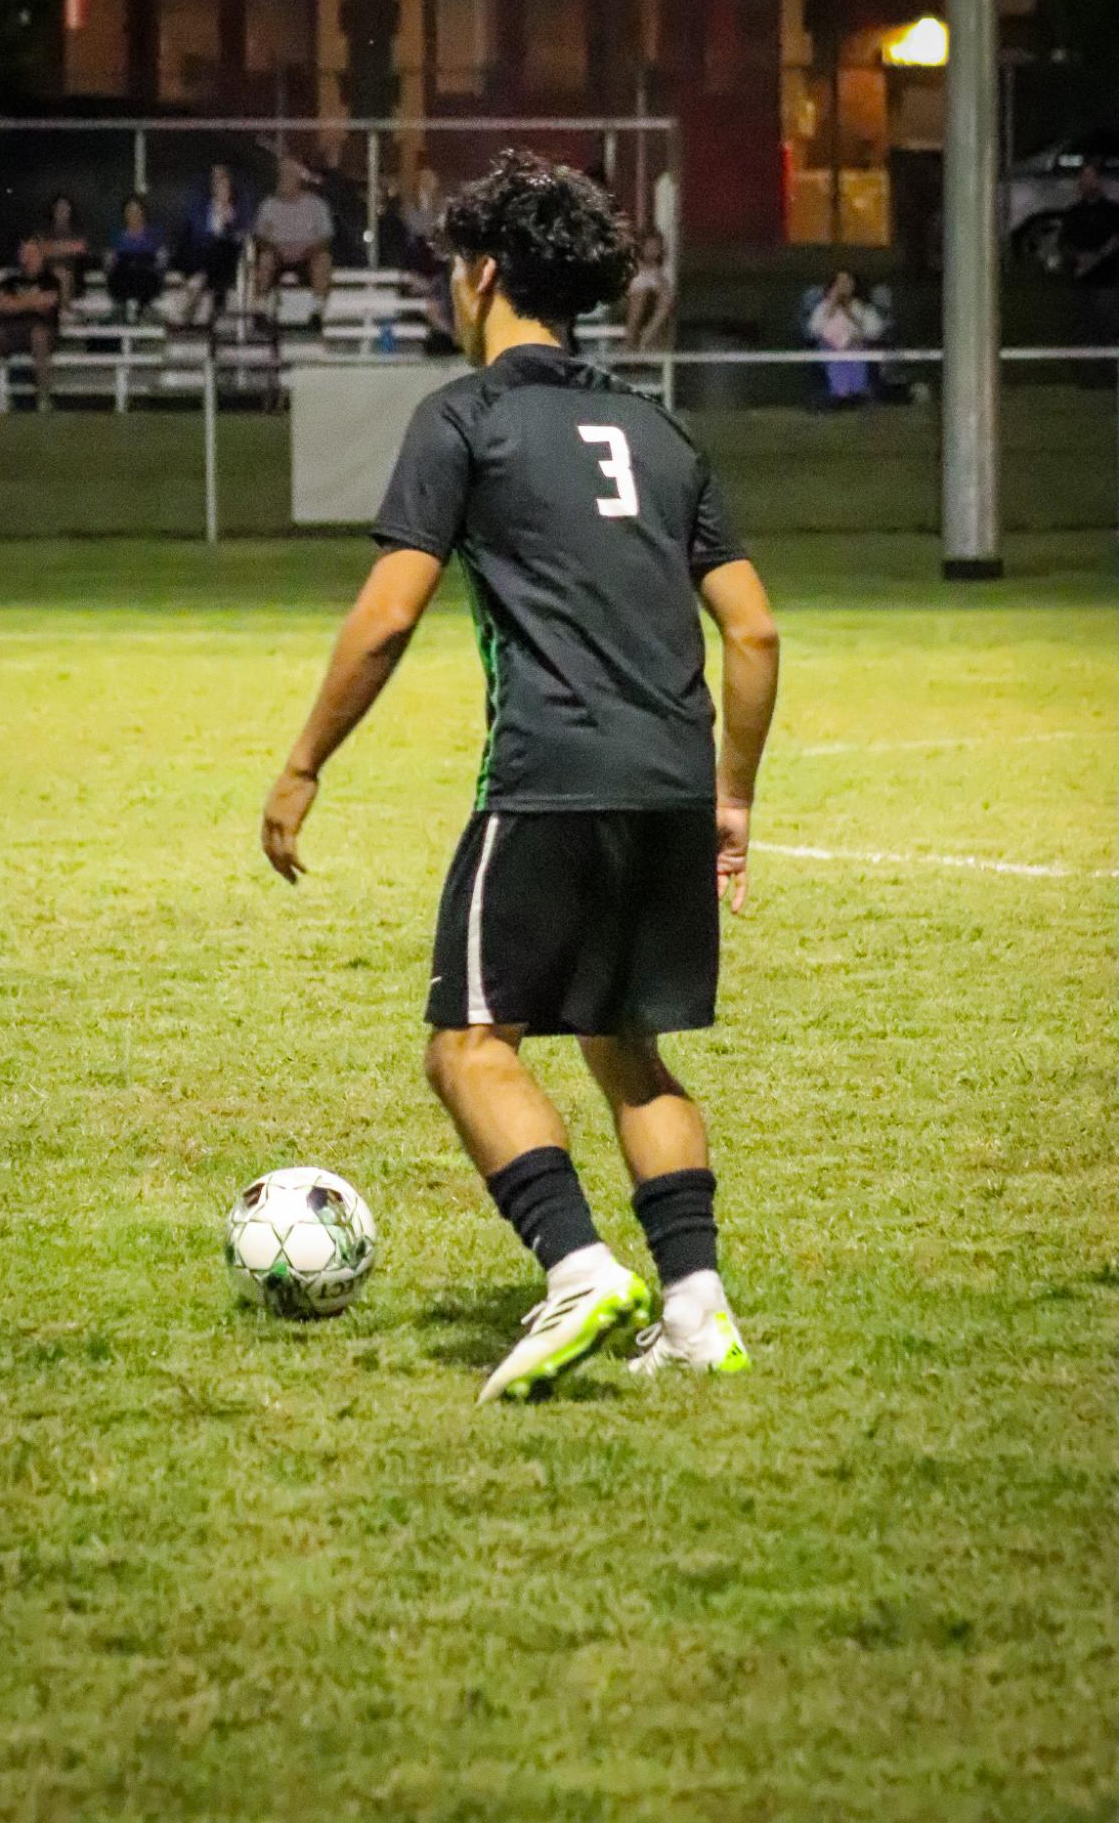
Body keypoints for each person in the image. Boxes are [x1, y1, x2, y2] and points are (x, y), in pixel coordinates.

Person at [261, 150, 779, 1404]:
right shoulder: (658, 431)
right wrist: (732, 796)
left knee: (466, 1045)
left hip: (547, 777)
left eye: (454, 266)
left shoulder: (464, 417)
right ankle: (697, 1308)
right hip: (665, 781)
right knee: (624, 1047)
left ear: (484, 275)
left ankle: (577, 1267)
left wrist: (301, 764)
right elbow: (752, 632)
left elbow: (388, 616)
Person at [0, 234, 62, 409]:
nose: (27, 255)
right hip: (11, 330)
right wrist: (31, 302)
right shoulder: (9, 281)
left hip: (40, 329)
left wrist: (15, 303)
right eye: (24, 251)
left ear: (40, 255)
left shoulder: (50, 280)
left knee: (39, 336)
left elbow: (48, 302)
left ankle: (44, 398)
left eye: (32, 251)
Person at [253, 156, 334, 326]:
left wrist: (308, 250)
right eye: (282, 174)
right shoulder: (269, 205)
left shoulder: (316, 205)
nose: (285, 178)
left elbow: (326, 237)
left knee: (323, 260)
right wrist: (275, 248)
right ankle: (259, 310)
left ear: (298, 178)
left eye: (289, 174)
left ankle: (317, 313)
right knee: (265, 259)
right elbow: (260, 236)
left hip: (307, 254)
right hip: (277, 253)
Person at [1059, 160, 1119, 348]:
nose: (1086, 182)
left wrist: (1096, 257)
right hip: (1081, 283)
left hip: (1107, 282)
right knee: (1084, 332)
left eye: (1091, 177)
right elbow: (1064, 243)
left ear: (1099, 181)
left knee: (1106, 330)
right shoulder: (1074, 212)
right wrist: (1078, 258)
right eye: (1083, 177)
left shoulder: (1112, 211)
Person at [180, 163, 247, 324]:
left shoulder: (238, 212)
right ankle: (214, 303)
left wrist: (228, 221)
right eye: (216, 181)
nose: (219, 186)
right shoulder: (201, 210)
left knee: (223, 246)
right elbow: (194, 236)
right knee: (210, 248)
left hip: (227, 258)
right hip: (202, 255)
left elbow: (241, 239)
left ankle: (200, 289)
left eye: (223, 181)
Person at [806, 270, 882, 405]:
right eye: (839, 282)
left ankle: (856, 393)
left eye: (847, 282)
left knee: (856, 351)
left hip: (857, 346)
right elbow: (813, 330)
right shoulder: (823, 307)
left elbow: (875, 331)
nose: (843, 286)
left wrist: (852, 320)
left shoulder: (863, 307)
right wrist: (830, 309)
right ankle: (839, 394)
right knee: (833, 353)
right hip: (829, 348)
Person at [105, 195, 167, 315]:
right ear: (124, 214)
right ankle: (125, 309)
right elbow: (110, 260)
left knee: (145, 273)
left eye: (137, 211)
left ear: (143, 213)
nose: (134, 215)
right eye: (130, 211)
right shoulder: (117, 236)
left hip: (147, 277)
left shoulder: (154, 235)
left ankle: (141, 308)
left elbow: (162, 258)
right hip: (123, 276)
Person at [623, 229, 674, 350]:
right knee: (639, 297)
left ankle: (646, 337)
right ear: (642, 247)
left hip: (650, 307)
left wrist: (658, 276)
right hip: (627, 303)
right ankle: (629, 345)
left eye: (656, 247)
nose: (652, 251)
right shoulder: (633, 265)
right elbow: (628, 288)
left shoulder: (660, 269)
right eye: (649, 246)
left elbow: (666, 294)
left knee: (665, 299)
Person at [39, 193, 89, 308]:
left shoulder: (77, 231)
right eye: (59, 208)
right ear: (53, 210)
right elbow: (39, 250)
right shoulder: (45, 231)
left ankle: (63, 313)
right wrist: (67, 247)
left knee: (62, 275)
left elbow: (80, 248)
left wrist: (52, 248)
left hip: (73, 277)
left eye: (65, 208)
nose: (62, 211)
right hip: (45, 276)